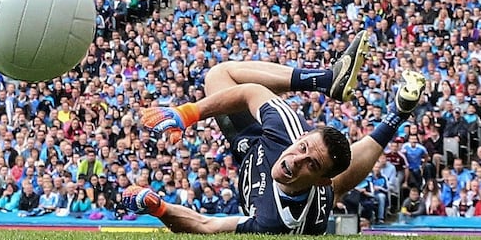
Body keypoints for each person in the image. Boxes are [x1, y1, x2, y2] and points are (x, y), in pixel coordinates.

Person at [122, 31, 426, 234]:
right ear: (302, 137)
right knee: (219, 74)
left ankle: (396, 111)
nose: (296, 159)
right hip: (261, 145)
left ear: (318, 178)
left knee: (339, 184)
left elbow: (205, 224)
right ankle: (326, 80)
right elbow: (251, 92)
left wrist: (158, 207)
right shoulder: (288, 133)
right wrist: (186, 113)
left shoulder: (274, 222)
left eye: (311, 163)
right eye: (303, 148)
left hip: (282, 177)